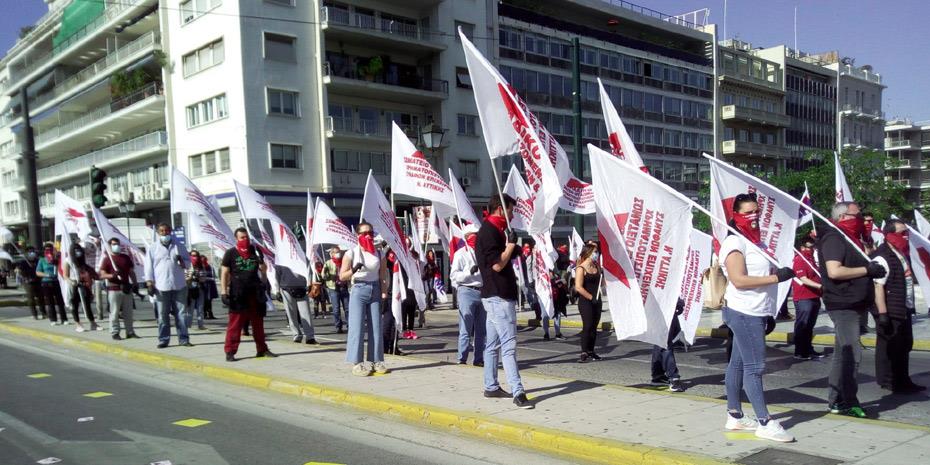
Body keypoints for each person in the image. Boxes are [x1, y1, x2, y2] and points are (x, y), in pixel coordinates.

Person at [719, 192, 797, 442]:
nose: (753, 217)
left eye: (756, 212)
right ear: (736, 216)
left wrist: (769, 311)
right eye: (747, 213)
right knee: (755, 367)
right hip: (744, 312)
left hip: (757, 311)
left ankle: (735, 416)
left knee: (738, 364)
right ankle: (764, 421)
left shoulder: (757, 242)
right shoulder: (735, 243)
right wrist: (777, 278)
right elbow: (739, 280)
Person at [818, 201, 885, 417]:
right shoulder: (834, 238)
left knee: (841, 354)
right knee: (851, 353)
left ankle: (836, 400)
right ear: (843, 216)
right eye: (857, 215)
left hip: (856, 303)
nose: (861, 218)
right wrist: (867, 269)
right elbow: (835, 271)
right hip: (843, 303)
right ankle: (848, 401)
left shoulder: (852, 239)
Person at [475, 194, 532, 409]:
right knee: (509, 345)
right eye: (510, 210)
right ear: (500, 209)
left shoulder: (495, 230)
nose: (513, 214)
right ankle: (518, 391)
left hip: (494, 295)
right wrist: (510, 246)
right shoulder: (489, 231)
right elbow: (497, 265)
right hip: (498, 296)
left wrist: (515, 248)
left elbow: (507, 254)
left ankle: (491, 386)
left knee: (492, 345)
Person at [871, 219, 925, 394]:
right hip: (891, 310)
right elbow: (878, 286)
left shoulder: (901, 253)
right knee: (892, 347)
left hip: (904, 307)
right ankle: (890, 380)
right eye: (902, 233)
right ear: (890, 235)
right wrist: (883, 314)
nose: (905, 236)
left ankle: (903, 379)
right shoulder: (882, 256)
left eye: (906, 232)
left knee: (905, 345)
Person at [340, 222, 389, 376]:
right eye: (364, 233)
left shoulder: (379, 253)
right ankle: (357, 363)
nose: (368, 235)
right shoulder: (351, 253)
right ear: (358, 235)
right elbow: (342, 276)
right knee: (357, 327)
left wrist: (384, 294)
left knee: (376, 327)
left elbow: (382, 277)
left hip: (374, 289)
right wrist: (354, 269)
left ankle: (376, 361)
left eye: (371, 232)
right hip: (358, 289)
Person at [221, 228, 276, 361]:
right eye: (242, 238)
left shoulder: (255, 251)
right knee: (235, 324)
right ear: (236, 239)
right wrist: (224, 292)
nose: (245, 240)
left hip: (255, 293)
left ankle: (262, 349)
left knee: (258, 323)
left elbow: (263, 275)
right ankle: (230, 351)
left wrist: (263, 272)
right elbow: (224, 273)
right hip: (238, 293)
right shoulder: (230, 253)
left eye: (246, 237)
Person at [144, 223, 192, 349]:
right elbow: (148, 266)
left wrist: (182, 261)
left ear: (170, 231)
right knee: (163, 315)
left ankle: (183, 338)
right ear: (158, 233)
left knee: (181, 314)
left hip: (179, 284)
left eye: (166, 231)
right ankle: (163, 339)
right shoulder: (153, 248)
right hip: (161, 285)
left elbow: (188, 263)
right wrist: (149, 283)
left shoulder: (179, 246)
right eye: (162, 231)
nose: (164, 233)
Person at [450, 224, 485, 366]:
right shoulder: (460, 254)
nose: (476, 238)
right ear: (466, 237)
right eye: (473, 235)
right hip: (466, 291)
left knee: (481, 330)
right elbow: (454, 276)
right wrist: (468, 273)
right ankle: (462, 358)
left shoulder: (482, 253)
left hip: (482, 291)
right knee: (466, 328)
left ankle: (478, 359)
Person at [98, 238, 138, 340]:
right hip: (113, 289)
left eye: (118, 244)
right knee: (114, 312)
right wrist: (112, 275)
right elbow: (102, 275)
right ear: (110, 246)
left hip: (126, 288)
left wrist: (135, 283)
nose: (117, 246)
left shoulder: (125, 258)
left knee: (128, 312)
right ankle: (115, 332)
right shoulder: (107, 259)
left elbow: (131, 272)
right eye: (114, 244)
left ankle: (130, 331)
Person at [791, 236, 824, 360]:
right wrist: (821, 286)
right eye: (809, 247)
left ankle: (808, 348)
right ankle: (799, 351)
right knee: (802, 325)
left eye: (813, 247)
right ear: (802, 247)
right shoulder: (800, 259)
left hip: (815, 296)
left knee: (810, 326)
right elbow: (803, 279)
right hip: (804, 297)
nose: (812, 249)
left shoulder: (812, 260)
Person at [574, 244, 602, 363]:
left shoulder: (597, 266)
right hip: (586, 301)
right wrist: (591, 298)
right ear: (589, 252)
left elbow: (602, 283)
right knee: (588, 325)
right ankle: (584, 351)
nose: (597, 254)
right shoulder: (581, 268)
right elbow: (578, 287)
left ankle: (591, 350)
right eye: (595, 252)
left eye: (597, 252)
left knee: (594, 327)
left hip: (597, 300)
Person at [276, 263, 317, 345]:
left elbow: (309, 269)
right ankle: (297, 335)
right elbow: (276, 274)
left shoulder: (301, 256)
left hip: (302, 288)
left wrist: (309, 284)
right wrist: (277, 290)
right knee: (291, 314)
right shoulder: (281, 258)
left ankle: (310, 337)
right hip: (286, 288)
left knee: (306, 314)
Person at [62, 242, 99, 332]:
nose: (78, 252)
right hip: (74, 285)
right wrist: (71, 281)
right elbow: (65, 276)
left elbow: (88, 271)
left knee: (87, 304)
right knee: (74, 305)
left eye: (79, 250)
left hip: (83, 285)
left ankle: (93, 323)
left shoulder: (82, 261)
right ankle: (78, 324)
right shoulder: (68, 261)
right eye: (75, 250)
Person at [652, 299, 685, 392]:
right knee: (665, 342)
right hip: (664, 306)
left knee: (660, 342)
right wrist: (679, 303)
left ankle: (658, 375)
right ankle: (674, 378)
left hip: (659, 307)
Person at [35, 243, 67, 325]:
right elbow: (38, 272)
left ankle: (64, 319)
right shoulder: (42, 260)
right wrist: (46, 274)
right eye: (47, 249)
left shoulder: (56, 258)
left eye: (50, 249)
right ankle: (53, 319)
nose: (48, 250)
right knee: (50, 302)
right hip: (46, 282)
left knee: (60, 301)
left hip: (56, 281)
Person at [322, 247, 350, 333]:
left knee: (347, 308)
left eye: (339, 252)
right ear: (332, 254)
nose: (338, 254)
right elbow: (323, 276)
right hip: (333, 288)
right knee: (336, 309)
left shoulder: (344, 261)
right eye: (336, 252)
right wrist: (326, 273)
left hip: (344, 287)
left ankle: (350, 325)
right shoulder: (328, 263)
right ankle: (338, 326)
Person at [18, 246, 44, 320]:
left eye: (33, 251)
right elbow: (21, 272)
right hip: (28, 282)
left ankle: (43, 312)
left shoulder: (38, 261)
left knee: (41, 298)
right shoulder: (23, 262)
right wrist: (27, 276)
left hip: (38, 281)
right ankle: (34, 314)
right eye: (29, 252)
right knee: (31, 299)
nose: (32, 253)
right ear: (26, 253)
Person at [186, 250, 209, 331]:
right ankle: (188, 325)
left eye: (196, 255)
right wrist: (191, 276)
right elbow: (185, 278)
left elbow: (204, 277)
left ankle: (201, 325)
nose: (194, 257)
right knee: (190, 308)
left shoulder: (201, 266)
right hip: (190, 289)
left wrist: (199, 277)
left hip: (200, 288)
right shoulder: (187, 266)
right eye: (192, 255)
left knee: (200, 308)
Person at [520, 240, 542, 321]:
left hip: (536, 279)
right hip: (529, 279)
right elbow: (527, 269)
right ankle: (537, 311)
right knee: (531, 296)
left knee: (537, 297)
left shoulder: (536, 257)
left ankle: (540, 313)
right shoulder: (526, 257)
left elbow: (531, 269)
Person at [544, 270, 566, 341]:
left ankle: (558, 333)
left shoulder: (555, 274)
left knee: (557, 315)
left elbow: (561, 285)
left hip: (555, 298)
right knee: (545, 315)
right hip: (546, 299)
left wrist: (560, 282)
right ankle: (546, 333)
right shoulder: (542, 273)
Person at [202, 256, 218, 320]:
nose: (203, 261)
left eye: (204, 260)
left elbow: (213, 277)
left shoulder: (210, 267)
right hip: (203, 286)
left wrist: (206, 278)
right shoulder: (200, 267)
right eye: (202, 260)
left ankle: (210, 314)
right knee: (204, 301)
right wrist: (207, 278)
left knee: (209, 300)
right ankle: (204, 314)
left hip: (210, 286)